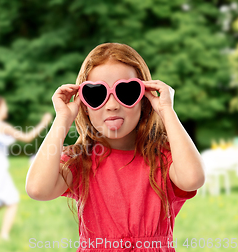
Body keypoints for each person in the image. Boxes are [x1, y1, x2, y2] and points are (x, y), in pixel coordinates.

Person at [26, 43, 205, 251]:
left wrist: (167, 111)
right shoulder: (82, 160)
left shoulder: (163, 157)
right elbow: (37, 189)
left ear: (144, 98)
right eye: (97, 94)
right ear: (84, 104)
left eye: (126, 92)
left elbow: (193, 179)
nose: (112, 105)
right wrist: (62, 120)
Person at [0, 95, 52, 240]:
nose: (6, 109)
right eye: (4, 106)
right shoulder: (1, 126)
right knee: (13, 200)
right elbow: (27, 138)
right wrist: (44, 122)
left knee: (1, 197)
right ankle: (4, 236)